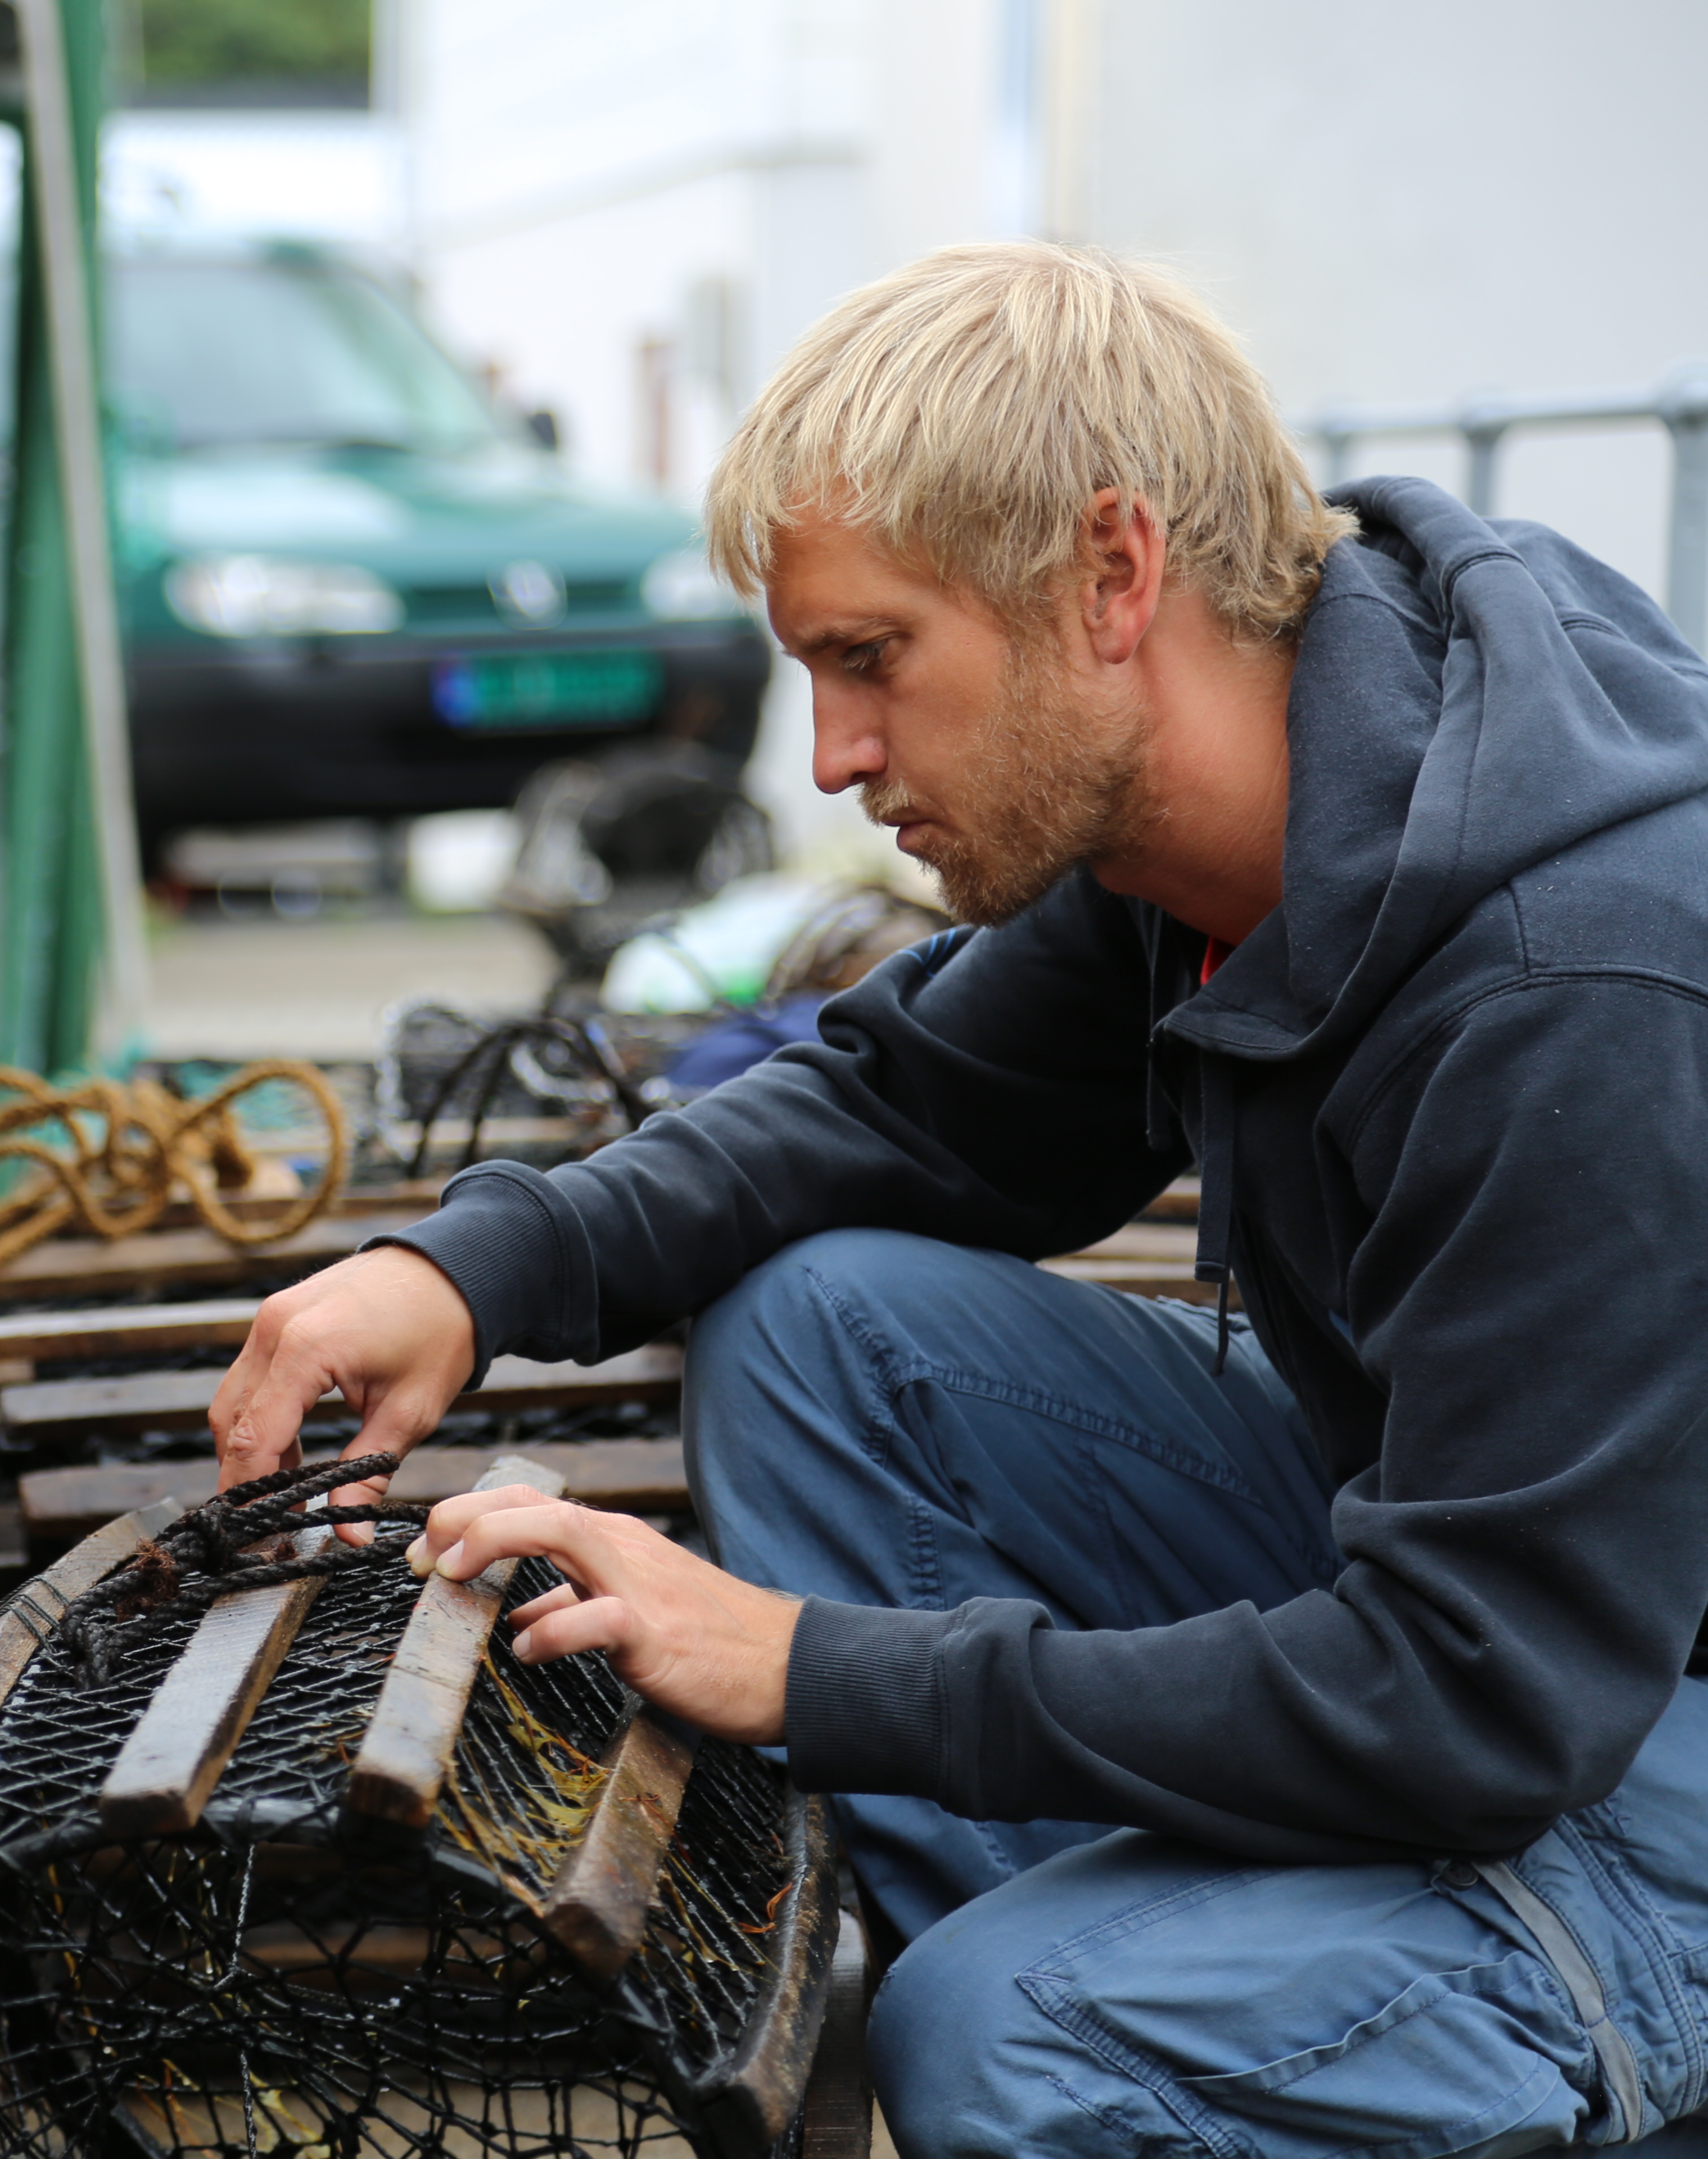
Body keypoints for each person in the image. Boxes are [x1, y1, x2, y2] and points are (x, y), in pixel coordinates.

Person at [210, 241, 1708, 2158]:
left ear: (1111, 577)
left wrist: (807, 1669)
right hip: (1511, 1611)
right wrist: (478, 1268)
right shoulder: (1246, 815)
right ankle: (1206, 1985)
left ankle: (1203, 2037)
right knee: (825, 1330)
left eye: (872, 659)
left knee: (1017, 2047)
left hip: (1616, 1709)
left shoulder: (1571, 987)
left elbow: (1488, 1696)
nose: (834, 758)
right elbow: (903, 1106)